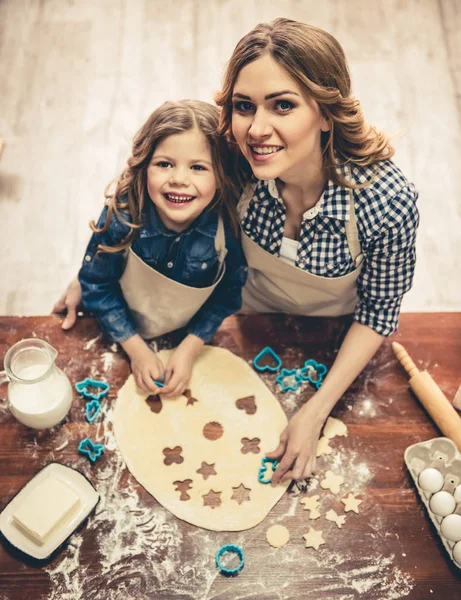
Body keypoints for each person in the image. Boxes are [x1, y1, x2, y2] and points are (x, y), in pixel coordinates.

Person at [54, 19, 419, 486]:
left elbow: (379, 313)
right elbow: (158, 178)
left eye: (282, 105)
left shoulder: (385, 201)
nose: (257, 129)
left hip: (334, 337)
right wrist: (91, 269)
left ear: (326, 112)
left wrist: (315, 411)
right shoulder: (235, 159)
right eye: (244, 106)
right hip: (246, 323)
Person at [56, 100, 247, 397]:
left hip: (185, 335)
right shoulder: (122, 219)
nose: (179, 180)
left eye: (198, 167)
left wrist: (191, 347)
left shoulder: (228, 227)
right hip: (119, 331)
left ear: (221, 178)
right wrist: (135, 349)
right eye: (164, 164)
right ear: (144, 166)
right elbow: (96, 284)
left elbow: (228, 294)